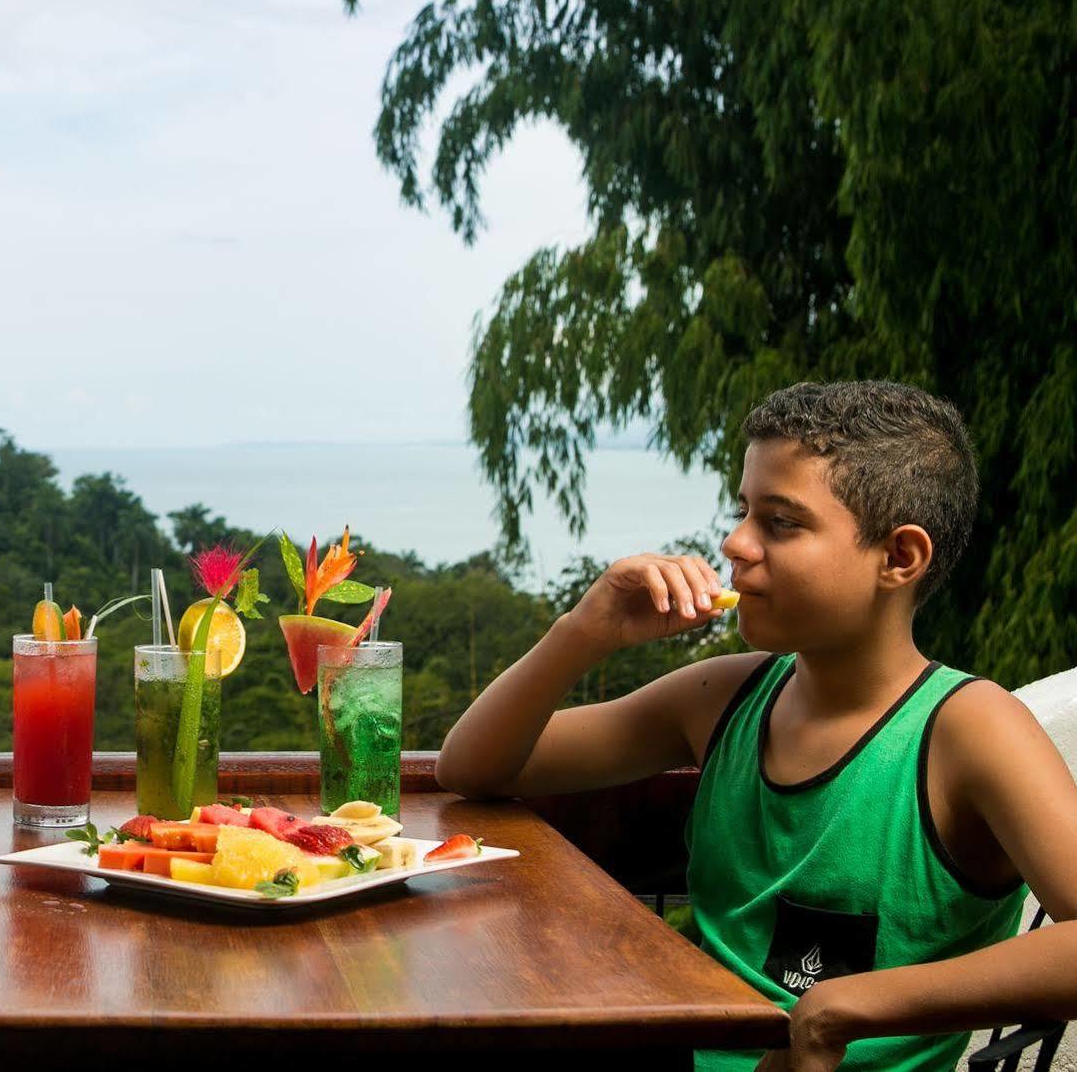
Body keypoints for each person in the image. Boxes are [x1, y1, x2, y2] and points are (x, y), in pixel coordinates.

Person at [437, 380, 1077, 1071]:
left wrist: (838, 1011)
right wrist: (581, 633)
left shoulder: (966, 730)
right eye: (742, 511)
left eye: (780, 522)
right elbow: (472, 768)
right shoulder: (723, 696)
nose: (735, 543)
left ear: (898, 557)